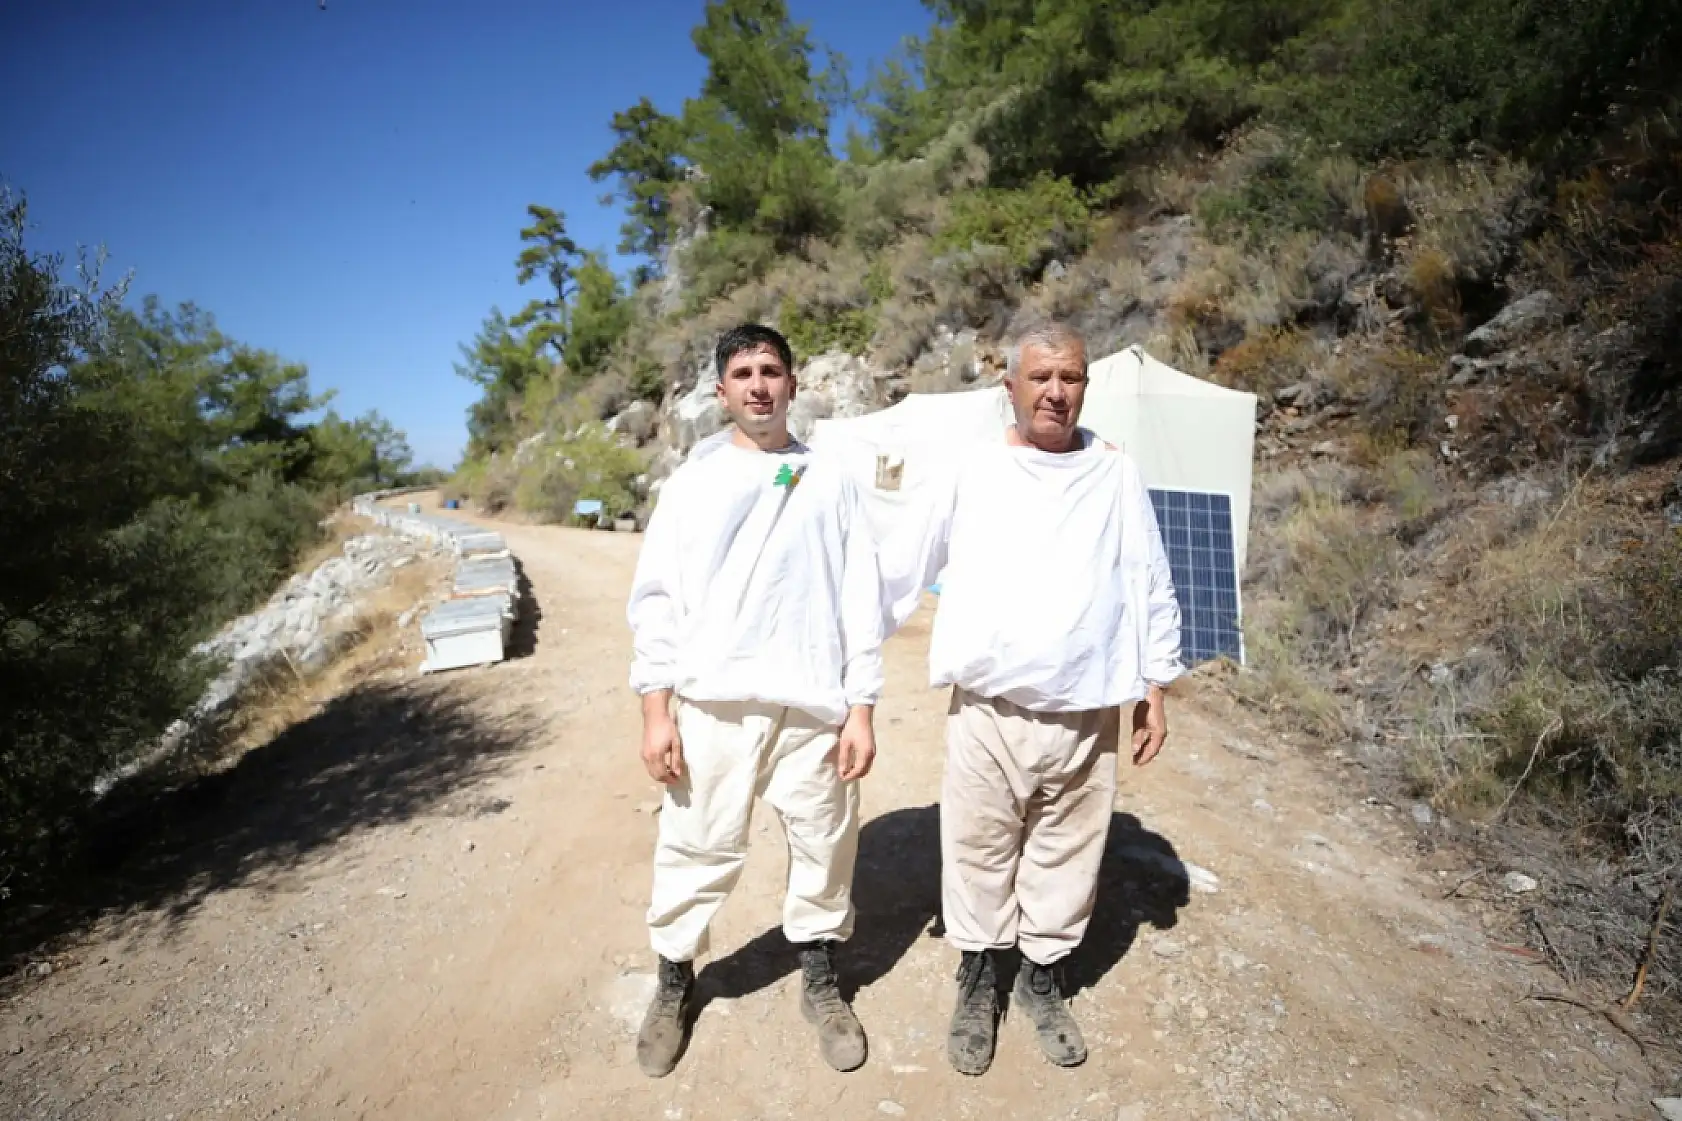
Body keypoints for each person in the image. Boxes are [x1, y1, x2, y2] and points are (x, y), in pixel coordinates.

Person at [878, 317, 1183, 1076]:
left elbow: (1149, 578)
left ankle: (1043, 977)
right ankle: (979, 977)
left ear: (1086, 385)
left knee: (1067, 854)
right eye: (1040, 377)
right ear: (1009, 386)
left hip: (1087, 708)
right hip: (990, 709)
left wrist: (1155, 684)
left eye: (1069, 377)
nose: (1055, 391)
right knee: (979, 849)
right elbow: (899, 566)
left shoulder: (1114, 472)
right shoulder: (974, 468)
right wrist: (843, 654)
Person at [625, 323, 884, 1077]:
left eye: (771, 370)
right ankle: (675, 981)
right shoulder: (694, 483)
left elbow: (860, 599)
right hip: (715, 704)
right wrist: (656, 710)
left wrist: (862, 707)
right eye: (743, 374)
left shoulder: (832, 480)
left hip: (813, 706)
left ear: (793, 385)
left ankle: (820, 978)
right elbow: (657, 600)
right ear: (722, 392)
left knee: (825, 845)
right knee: (695, 848)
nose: (759, 385)